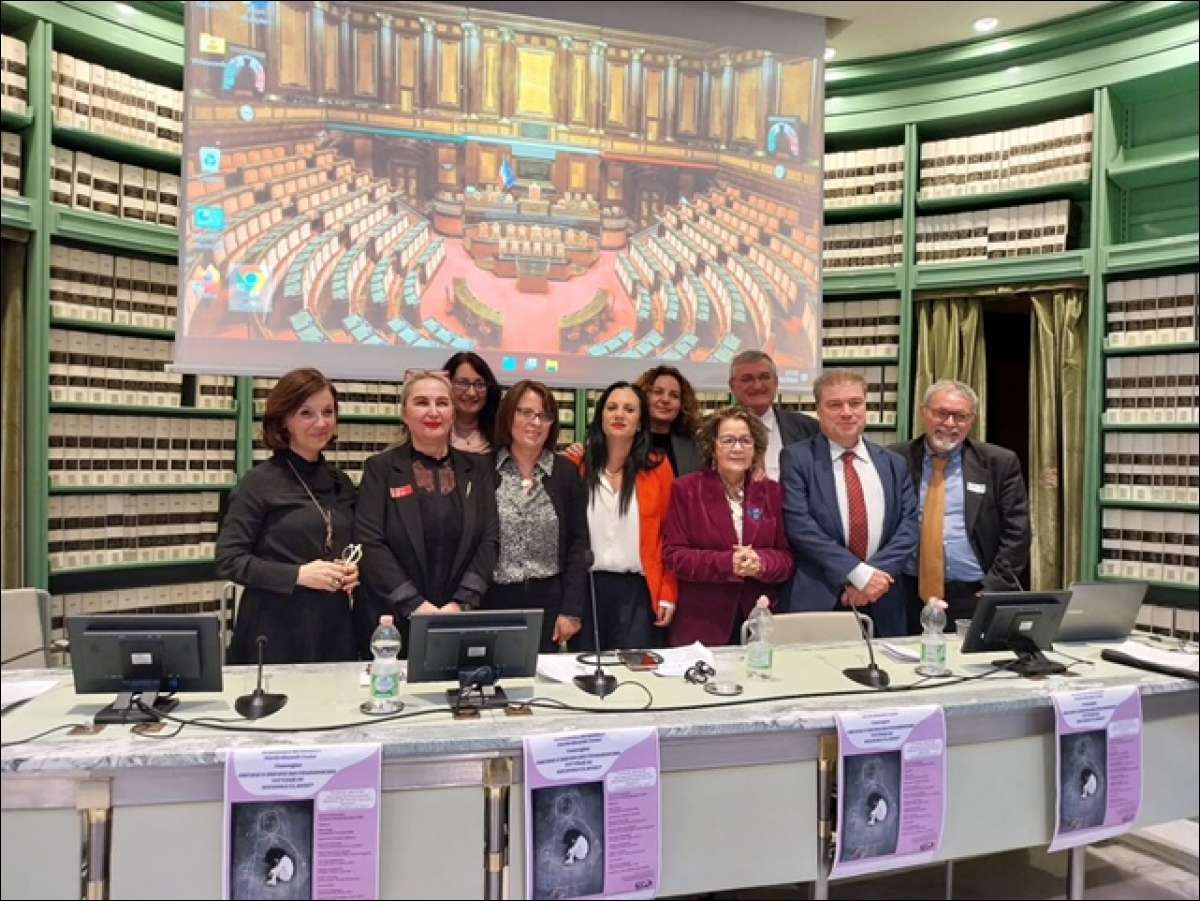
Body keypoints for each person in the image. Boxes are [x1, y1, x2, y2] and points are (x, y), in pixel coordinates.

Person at [216, 368, 358, 664]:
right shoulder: (259, 483)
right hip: (275, 627)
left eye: (328, 412)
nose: (321, 422)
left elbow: (350, 544)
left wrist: (354, 571)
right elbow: (229, 559)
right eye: (306, 413)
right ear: (283, 420)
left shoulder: (341, 482)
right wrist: (297, 575)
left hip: (333, 626)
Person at [354, 370, 498, 652]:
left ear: (453, 413)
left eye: (442, 403)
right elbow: (370, 542)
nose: (433, 412)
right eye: (421, 402)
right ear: (404, 414)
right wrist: (415, 605)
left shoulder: (478, 468)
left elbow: (489, 539)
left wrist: (461, 603)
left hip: (460, 617)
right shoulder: (380, 469)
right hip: (394, 623)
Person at [780, 370, 918, 638]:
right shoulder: (797, 459)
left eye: (855, 403)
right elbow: (799, 526)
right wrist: (857, 573)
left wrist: (874, 578)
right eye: (835, 405)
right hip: (821, 596)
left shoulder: (893, 463)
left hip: (884, 596)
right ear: (818, 410)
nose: (847, 412)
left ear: (866, 407)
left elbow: (909, 525)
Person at [894, 379, 1030, 630]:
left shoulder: (999, 463)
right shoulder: (895, 459)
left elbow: (1017, 533)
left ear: (972, 420)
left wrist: (993, 588)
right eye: (941, 413)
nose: (949, 423)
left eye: (960, 416)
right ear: (924, 413)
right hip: (906, 594)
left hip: (975, 595)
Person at [663, 407, 795, 647]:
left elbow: (787, 558)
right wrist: (728, 563)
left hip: (759, 622)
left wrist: (761, 563)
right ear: (712, 447)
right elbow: (674, 556)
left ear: (755, 448)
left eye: (745, 441)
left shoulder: (772, 492)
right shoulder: (686, 490)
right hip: (703, 623)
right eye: (728, 440)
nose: (737, 448)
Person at [564, 382, 677, 651]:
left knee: (636, 671)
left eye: (629, 409)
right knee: (585, 669)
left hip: (638, 593)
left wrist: (668, 593)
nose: (619, 414)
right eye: (612, 407)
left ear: (640, 422)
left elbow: (671, 535)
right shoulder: (577, 465)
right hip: (586, 591)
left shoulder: (658, 467)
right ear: (600, 417)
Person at [483, 380, 590, 652]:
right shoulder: (483, 469)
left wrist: (571, 610)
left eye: (544, 415)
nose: (535, 422)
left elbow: (578, 544)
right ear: (509, 415)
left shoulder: (565, 473)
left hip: (548, 601)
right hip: (492, 598)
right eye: (525, 412)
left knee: (542, 675)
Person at [728, 350, 819, 480]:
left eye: (764, 377)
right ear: (732, 386)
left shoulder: (809, 429)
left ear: (776, 382)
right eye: (747, 379)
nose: (757, 386)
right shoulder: (709, 431)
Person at [635, 364, 702, 477]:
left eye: (674, 395)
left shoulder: (695, 446)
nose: (666, 400)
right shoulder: (626, 441)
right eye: (658, 392)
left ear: (682, 404)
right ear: (643, 397)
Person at [443, 351, 501, 454]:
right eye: (463, 383)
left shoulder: (501, 434)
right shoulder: (433, 433)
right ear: (447, 384)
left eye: (480, 384)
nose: (471, 393)